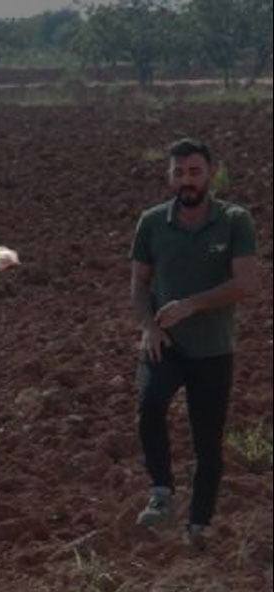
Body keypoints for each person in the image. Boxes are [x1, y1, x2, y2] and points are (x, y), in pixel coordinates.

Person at [129, 138, 258, 550]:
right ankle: (162, 493)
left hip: (213, 349)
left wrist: (191, 305)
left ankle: (198, 526)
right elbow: (139, 284)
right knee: (149, 406)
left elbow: (247, 284)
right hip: (165, 344)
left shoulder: (235, 221)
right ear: (170, 177)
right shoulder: (151, 223)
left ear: (210, 174)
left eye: (195, 172)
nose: (187, 181)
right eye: (179, 173)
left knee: (207, 440)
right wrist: (149, 326)